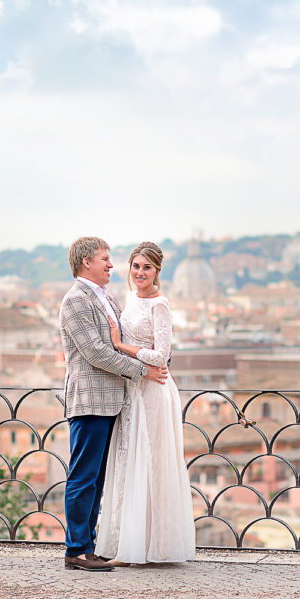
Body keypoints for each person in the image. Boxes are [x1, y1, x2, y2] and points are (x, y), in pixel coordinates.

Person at [58, 237, 169, 572]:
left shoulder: (104, 299)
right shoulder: (76, 300)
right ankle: (76, 549)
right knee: (83, 476)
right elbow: (96, 352)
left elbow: (120, 344)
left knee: (97, 478)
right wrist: (142, 372)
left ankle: (88, 546)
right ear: (85, 262)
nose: (111, 265)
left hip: (110, 401)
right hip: (91, 399)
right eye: (105, 259)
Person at [96, 242, 196, 565]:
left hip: (154, 389)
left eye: (147, 268)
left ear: (157, 272)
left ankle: (149, 545)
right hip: (133, 388)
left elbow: (162, 355)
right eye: (136, 266)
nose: (140, 273)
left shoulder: (160, 304)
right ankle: (131, 542)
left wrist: (121, 346)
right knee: (130, 460)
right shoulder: (130, 300)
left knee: (151, 460)